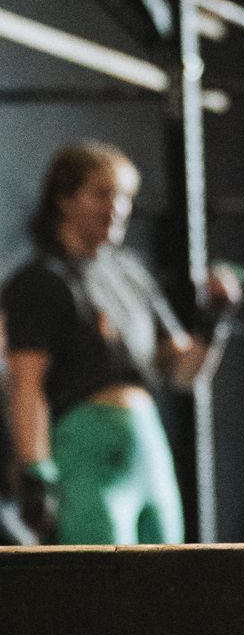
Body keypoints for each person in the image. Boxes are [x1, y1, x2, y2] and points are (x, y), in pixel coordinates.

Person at [1, 141, 230, 544]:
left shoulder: (131, 275)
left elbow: (182, 373)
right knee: (103, 583)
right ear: (64, 199)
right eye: (102, 194)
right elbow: (26, 383)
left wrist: (213, 321)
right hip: (87, 448)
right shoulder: (41, 281)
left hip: (146, 446)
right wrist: (36, 468)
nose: (117, 208)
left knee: (170, 578)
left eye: (124, 197)